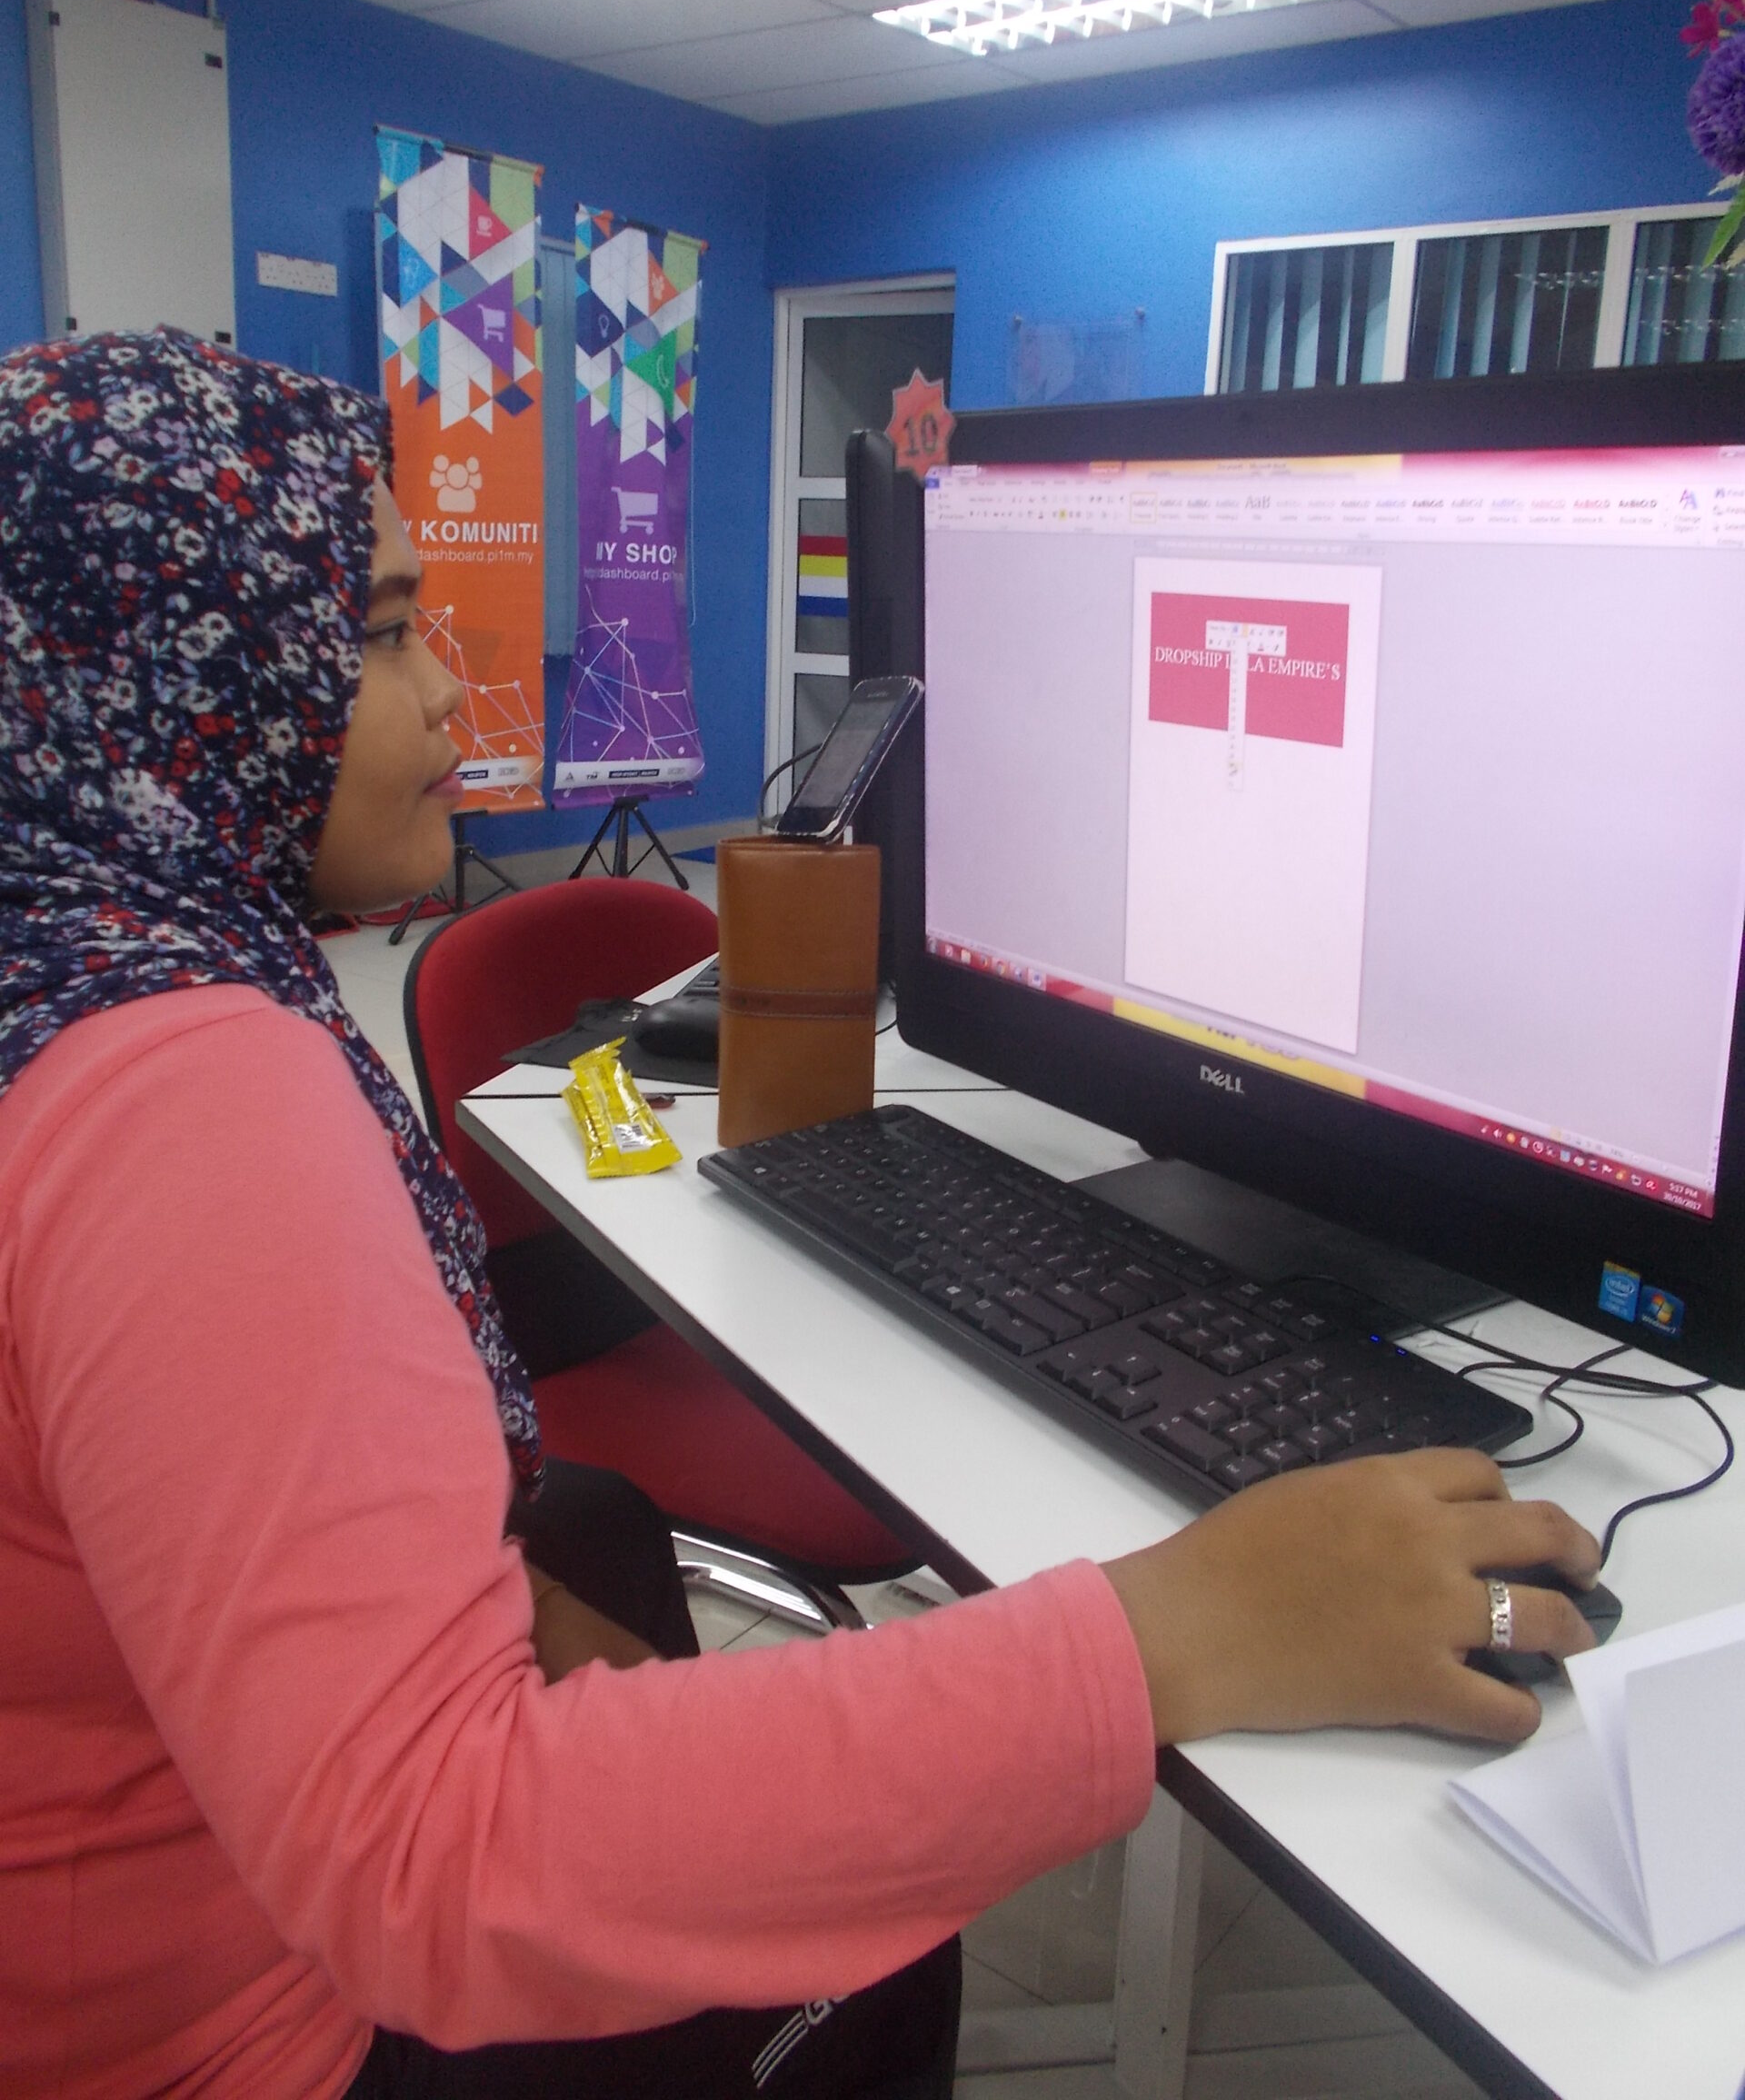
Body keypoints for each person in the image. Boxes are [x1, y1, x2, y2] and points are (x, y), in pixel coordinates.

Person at [0, 330, 1602, 2100]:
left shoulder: (54, 970)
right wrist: (1181, 1631)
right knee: (884, 1939)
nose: (450, 688)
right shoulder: (181, 1093)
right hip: (221, 2037)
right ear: (164, 668)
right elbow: (440, 1855)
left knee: (603, 1548)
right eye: (378, 634)